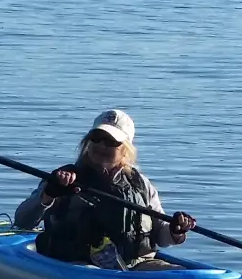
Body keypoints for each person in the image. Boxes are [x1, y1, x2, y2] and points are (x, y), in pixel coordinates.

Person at [14, 108, 195, 270]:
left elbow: (161, 236)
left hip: (135, 266)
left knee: (182, 274)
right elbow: (23, 221)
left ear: (126, 149)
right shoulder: (64, 179)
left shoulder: (141, 185)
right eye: (97, 138)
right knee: (89, 271)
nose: (101, 145)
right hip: (77, 267)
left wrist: (175, 230)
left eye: (111, 141)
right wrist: (49, 195)